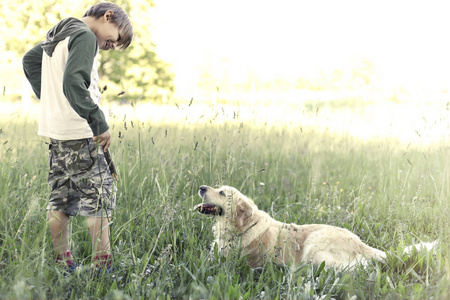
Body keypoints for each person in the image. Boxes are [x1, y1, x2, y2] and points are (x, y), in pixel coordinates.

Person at [22, 2, 133, 274]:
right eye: (112, 40)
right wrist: (98, 121)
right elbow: (74, 81)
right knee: (99, 199)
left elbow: (29, 60)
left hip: (57, 133)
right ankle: (102, 268)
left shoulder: (60, 34)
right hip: (81, 132)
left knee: (60, 200)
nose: (109, 47)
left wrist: (51, 100)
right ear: (108, 16)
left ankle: (63, 265)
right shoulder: (84, 36)